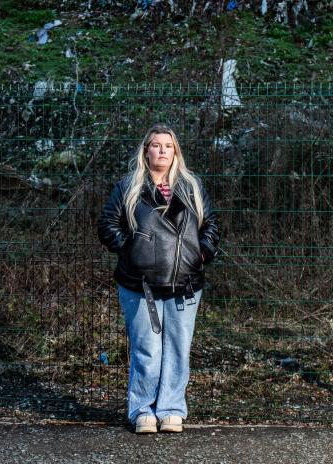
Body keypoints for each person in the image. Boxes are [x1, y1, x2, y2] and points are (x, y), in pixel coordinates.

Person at [97, 124, 220, 434]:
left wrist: (200, 255)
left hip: (185, 283)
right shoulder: (129, 187)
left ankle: (171, 409)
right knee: (146, 348)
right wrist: (133, 251)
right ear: (146, 151)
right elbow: (107, 225)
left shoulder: (191, 187)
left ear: (175, 151)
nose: (162, 150)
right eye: (156, 145)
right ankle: (143, 410)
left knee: (178, 347)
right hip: (140, 284)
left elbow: (212, 226)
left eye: (168, 145)